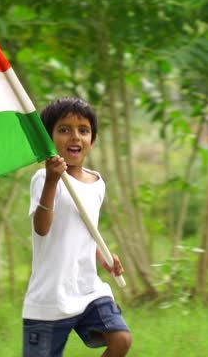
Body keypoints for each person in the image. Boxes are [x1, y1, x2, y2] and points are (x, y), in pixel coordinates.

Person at [22, 97, 133, 357]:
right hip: (49, 298)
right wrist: (52, 181)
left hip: (87, 290)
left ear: (92, 141)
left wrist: (104, 256)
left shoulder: (97, 183)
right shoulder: (43, 179)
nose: (75, 137)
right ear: (49, 139)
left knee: (121, 339)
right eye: (64, 130)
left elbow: (85, 230)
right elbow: (42, 227)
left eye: (83, 130)